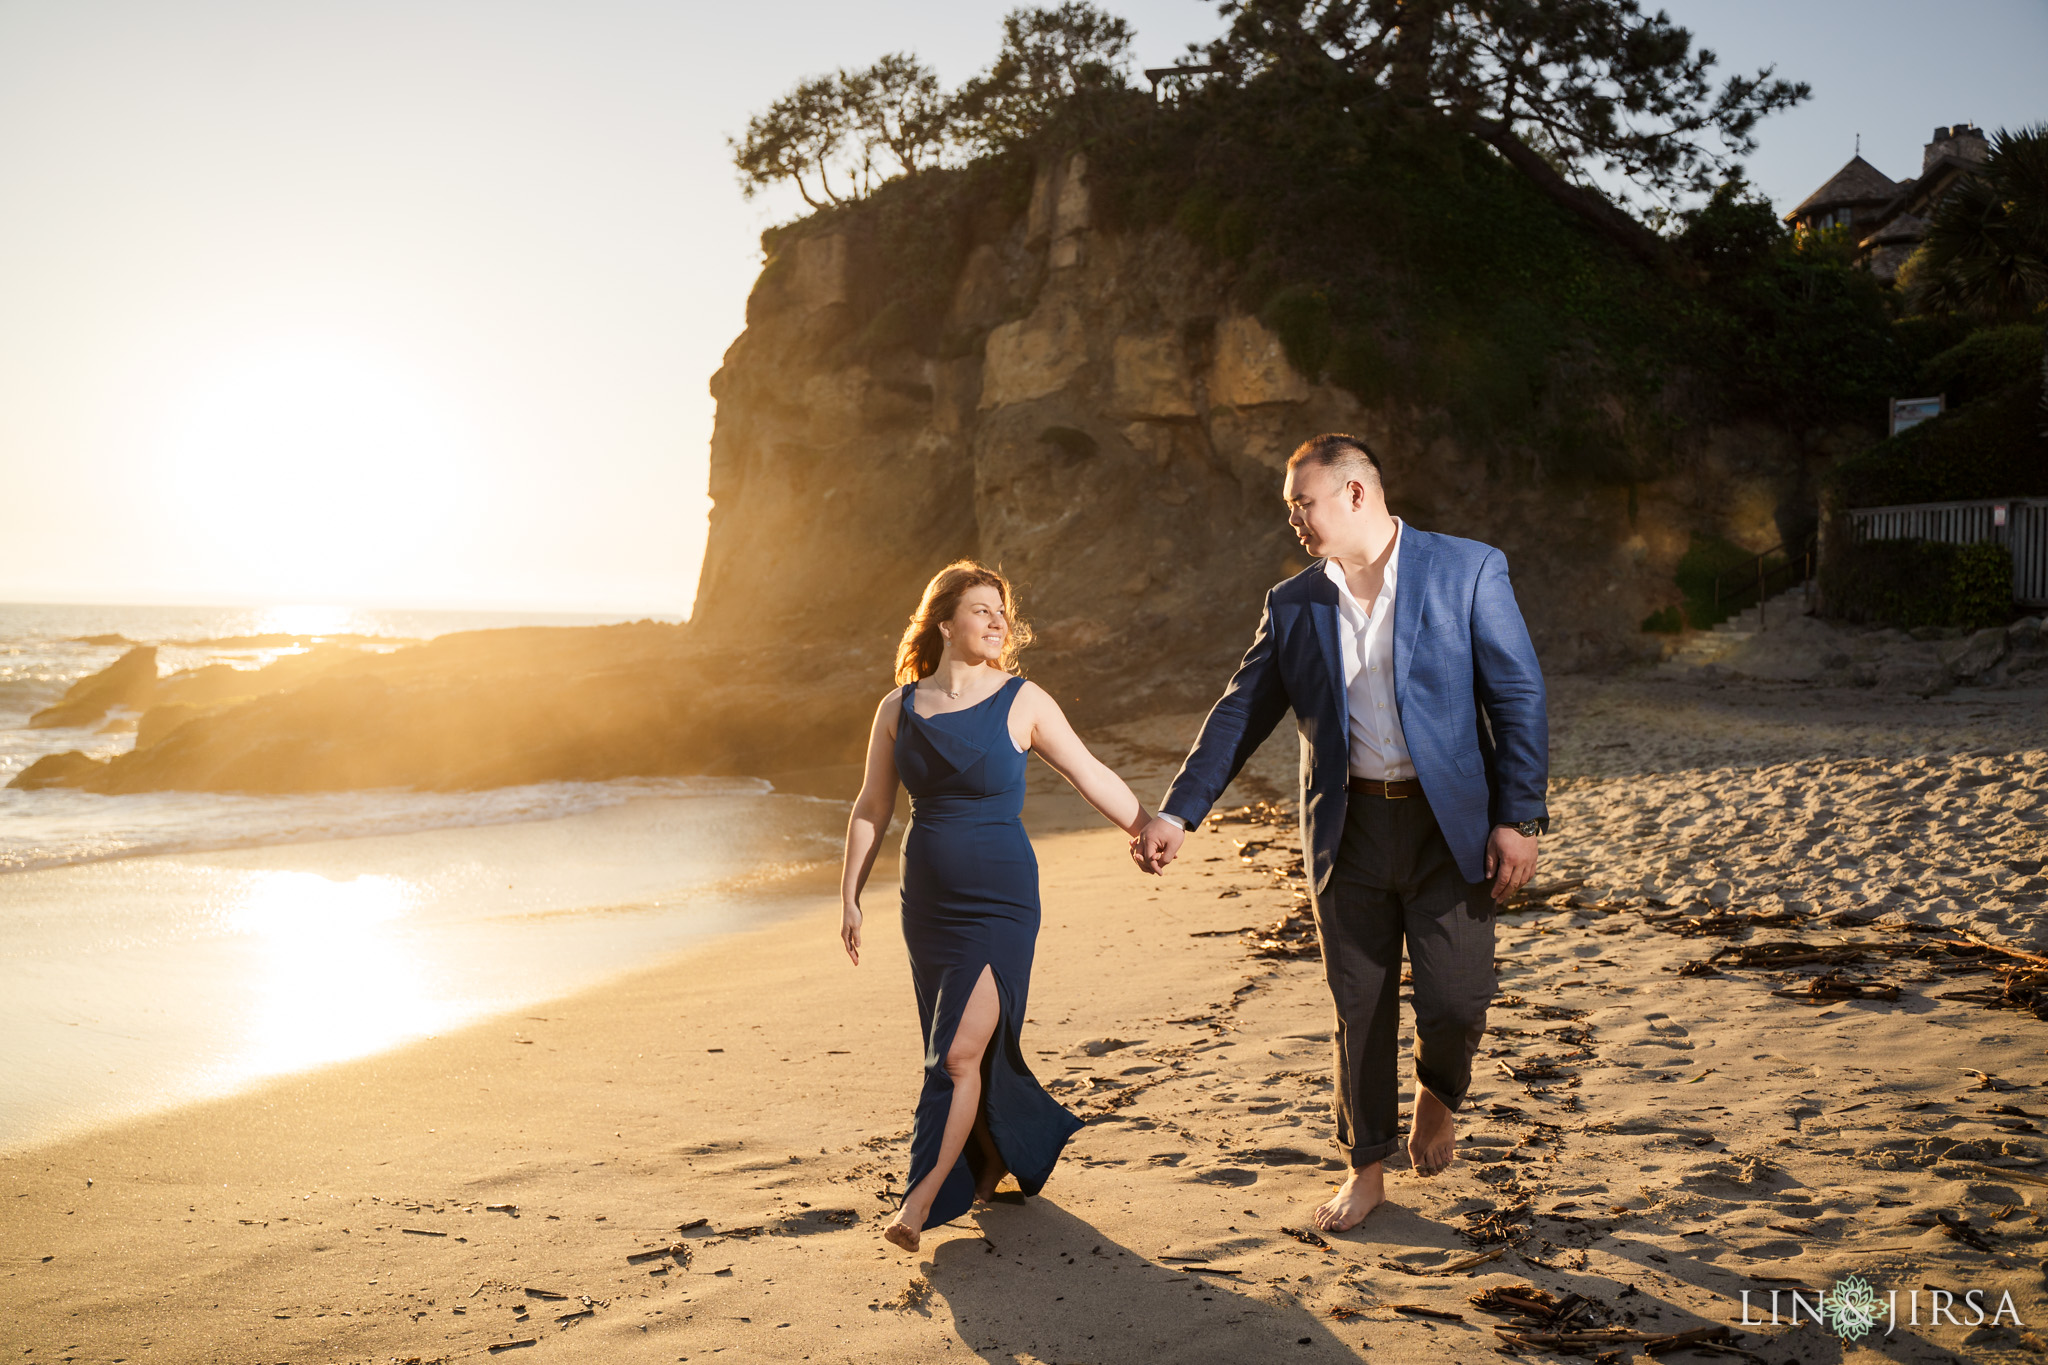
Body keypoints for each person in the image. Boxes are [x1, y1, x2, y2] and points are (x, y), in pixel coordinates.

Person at [1132, 433, 1548, 1234]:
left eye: (1304, 502)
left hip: (1448, 825)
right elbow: (1240, 712)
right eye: (1291, 507)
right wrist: (1179, 811)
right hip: (1347, 828)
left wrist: (1518, 816)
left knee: (1457, 1002)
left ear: (1355, 493)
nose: (1294, 518)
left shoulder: (1468, 569)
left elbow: (1519, 695)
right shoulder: (1293, 604)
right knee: (1359, 1006)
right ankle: (1365, 1167)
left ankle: (1439, 1093)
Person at [841, 560, 1157, 1253]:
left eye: (1001, 611)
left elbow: (1087, 771)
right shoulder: (899, 707)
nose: (996, 621)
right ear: (945, 621)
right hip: (926, 904)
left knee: (955, 1053)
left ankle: (918, 1203)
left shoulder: (1024, 700)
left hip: (1001, 900)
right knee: (954, 1048)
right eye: (981, 609)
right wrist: (850, 894)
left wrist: (1145, 824)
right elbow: (872, 805)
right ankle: (990, 1157)